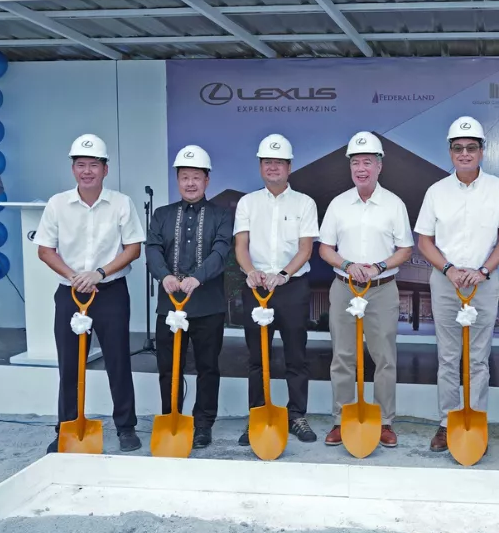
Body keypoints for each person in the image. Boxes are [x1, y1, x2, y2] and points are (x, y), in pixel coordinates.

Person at [414, 115, 499, 452]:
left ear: (481, 151)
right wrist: (448, 269)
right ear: (450, 152)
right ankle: (447, 424)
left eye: (470, 148)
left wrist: (484, 271)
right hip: (446, 282)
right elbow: (424, 241)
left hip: (483, 283)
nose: (464, 154)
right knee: (447, 357)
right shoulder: (436, 191)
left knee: (477, 358)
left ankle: (475, 421)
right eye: (458, 148)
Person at [34, 133, 145, 454]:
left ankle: (126, 428)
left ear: (105, 169)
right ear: (73, 169)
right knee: (70, 363)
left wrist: (98, 273)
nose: (87, 171)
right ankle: (66, 427)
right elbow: (45, 250)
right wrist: (74, 277)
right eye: (80, 165)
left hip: (110, 291)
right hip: (70, 293)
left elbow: (133, 248)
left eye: (93, 165)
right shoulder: (57, 204)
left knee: (118, 360)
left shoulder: (121, 203)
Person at [318, 131, 414, 448]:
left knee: (384, 357)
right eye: (356, 162)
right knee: (343, 356)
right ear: (350, 167)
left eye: (368, 162)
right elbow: (325, 249)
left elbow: (405, 250)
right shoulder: (337, 204)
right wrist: (347, 265)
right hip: (344, 287)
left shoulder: (394, 204)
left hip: (382, 289)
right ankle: (340, 420)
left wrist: (378, 267)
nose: (361, 168)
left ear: (379, 166)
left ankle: (385, 421)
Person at [145, 145, 234, 449]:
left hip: (208, 306)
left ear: (207, 180)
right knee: (169, 368)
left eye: (196, 177)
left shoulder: (222, 215)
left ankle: (203, 424)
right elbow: (152, 249)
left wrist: (197, 277)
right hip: (169, 306)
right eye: (185, 177)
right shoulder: (162, 215)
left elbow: (222, 250)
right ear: (177, 180)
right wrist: (165, 276)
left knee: (208, 367)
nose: (190, 183)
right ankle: (171, 418)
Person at [233, 134, 320, 445]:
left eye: (279, 162)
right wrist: (252, 272)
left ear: (289, 166)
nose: (273, 167)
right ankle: (257, 413)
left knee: (296, 355)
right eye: (267, 162)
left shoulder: (304, 203)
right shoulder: (247, 202)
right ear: (260, 166)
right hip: (256, 288)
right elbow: (241, 246)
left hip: (291, 287)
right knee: (258, 357)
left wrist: (283, 275)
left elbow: (305, 249)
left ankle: (296, 415)